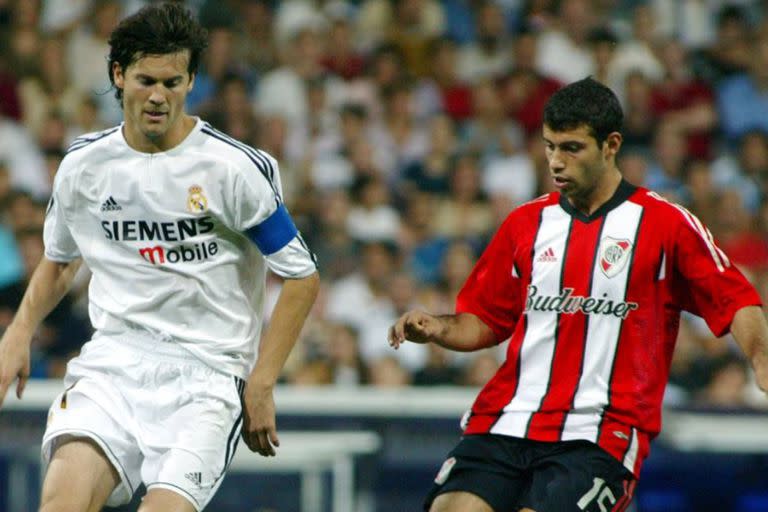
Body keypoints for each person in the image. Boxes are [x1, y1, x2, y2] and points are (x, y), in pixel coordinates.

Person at [388, 77, 768, 512]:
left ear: (611, 145)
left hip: (599, 433)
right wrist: (437, 328)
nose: (556, 162)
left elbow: (736, 299)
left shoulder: (665, 225)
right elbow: (486, 320)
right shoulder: (525, 223)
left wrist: (762, 359)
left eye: (571, 148)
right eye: (550, 146)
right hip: (505, 420)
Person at [0, 4, 319, 512]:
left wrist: (262, 381)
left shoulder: (233, 169)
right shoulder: (84, 166)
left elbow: (300, 276)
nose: (158, 96)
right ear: (118, 75)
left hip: (208, 379)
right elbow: (61, 261)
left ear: (191, 81)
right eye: (146, 79)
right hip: (113, 366)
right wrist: (17, 335)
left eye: (173, 83)